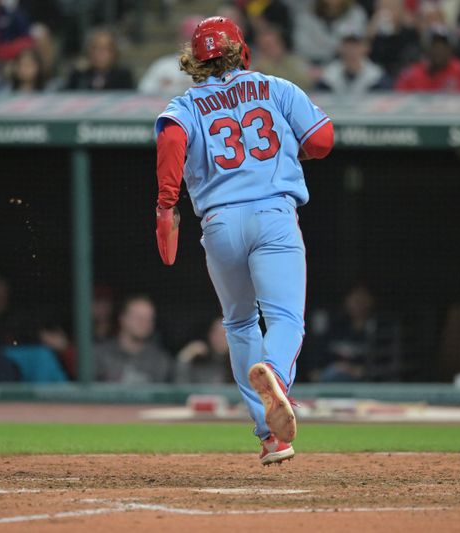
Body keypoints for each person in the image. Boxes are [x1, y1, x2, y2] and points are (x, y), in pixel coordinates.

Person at [154, 17, 333, 465]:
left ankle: (270, 437)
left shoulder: (187, 104)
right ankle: (274, 373)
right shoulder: (276, 87)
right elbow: (323, 140)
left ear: (196, 61)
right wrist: (294, 150)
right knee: (286, 319)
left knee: (238, 324)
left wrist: (165, 205)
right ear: (242, 51)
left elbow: (172, 141)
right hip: (273, 214)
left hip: (219, 224)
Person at [316, 284, 402, 382]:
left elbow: (392, 367)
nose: (358, 302)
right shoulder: (335, 328)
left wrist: (359, 370)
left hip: (368, 386)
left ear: (372, 300)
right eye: (354, 297)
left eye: (363, 297)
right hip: (331, 385)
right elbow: (316, 366)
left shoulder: (383, 331)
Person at [93, 295, 173, 383]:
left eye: (149, 319)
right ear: (123, 319)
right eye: (139, 318)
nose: (144, 323)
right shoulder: (99, 355)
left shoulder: (161, 360)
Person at [394, 26, 460, 91]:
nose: (439, 51)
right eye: (435, 46)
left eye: (443, 47)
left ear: (451, 50)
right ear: (427, 49)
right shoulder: (411, 75)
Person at [138, 15, 202, 96]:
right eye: (187, 38)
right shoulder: (163, 65)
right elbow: (143, 91)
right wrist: (161, 87)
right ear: (178, 39)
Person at [293, 0, 368, 64]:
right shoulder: (306, 14)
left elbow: (355, 45)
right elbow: (301, 46)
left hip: (345, 64)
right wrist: (335, 49)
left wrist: (323, 46)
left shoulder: (356, 13)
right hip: (311, 64)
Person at [365, 0, 421, 78]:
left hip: (402, 76)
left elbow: (412, 59)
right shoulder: (373, 34)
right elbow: (365, 57)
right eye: (383, 8)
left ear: (401, 10)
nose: (388, 12)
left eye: (392, 7)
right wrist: (370, 33)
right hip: (375, 76)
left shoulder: (409, 32)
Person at [317, 34, 388, 94]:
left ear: (366, 48)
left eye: (356, 46)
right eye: (347, 46)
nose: (351, 51)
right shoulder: (328, 75)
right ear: (339, 48)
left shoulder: (376, 76)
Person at [65, 28, 133, 90]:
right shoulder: (79, 75)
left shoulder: (123, 76)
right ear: (88, 51)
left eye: (105, 48)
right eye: (96, 48)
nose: (100, 53)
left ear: (114, 52)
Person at [250, 24, 311, 90]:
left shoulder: (293, 61)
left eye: (275, 43)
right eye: (267, 46)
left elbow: (306, 82)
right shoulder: (256, 69)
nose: (272, 49)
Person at [175, 317, 233, 383]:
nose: (220, 339)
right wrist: (185, 356)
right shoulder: (199, 361)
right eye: (216, 333)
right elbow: (181, 386)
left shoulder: (238, 364)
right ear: (210, 335)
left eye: (224, 334)